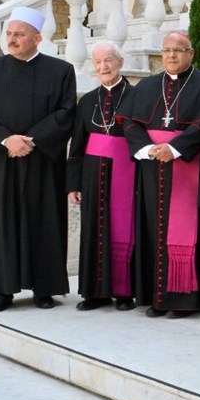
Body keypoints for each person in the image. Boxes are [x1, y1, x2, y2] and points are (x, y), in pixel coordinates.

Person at [0, 6, 76, 312]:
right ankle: (2, 290)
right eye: (9, 34)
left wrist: (32, 140)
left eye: (19, 34)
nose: (12, 40)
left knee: (44, 222)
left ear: (37, 38)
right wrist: (7, 140)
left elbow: (66, 111)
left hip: (42, 161)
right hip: (2, 161)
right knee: (1, 224)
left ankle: (44, 289)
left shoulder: (61, 71)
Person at [120, 31, 200, 318]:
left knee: (192, 233)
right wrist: (148, 148)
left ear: (191, 54)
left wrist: (176, 147)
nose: (171, 55)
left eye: (179, 50)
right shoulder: (147, 86)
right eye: (166, 50)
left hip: (191, 169)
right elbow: (130, 122)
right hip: (153, 170)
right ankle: (159, 298)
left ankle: (187, 300)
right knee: (154, 231)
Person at [67, 41, 136, 311]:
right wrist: (73, 183)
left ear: (120, 62)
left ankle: (123, 293)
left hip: (125, 172)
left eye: (108, 60)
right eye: (98, 62)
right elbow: (77, 143)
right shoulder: (86, 100)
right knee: (94, 229)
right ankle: (94, 293)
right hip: (92, 174)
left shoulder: (136, 96)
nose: (103, 66)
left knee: (123, 229)